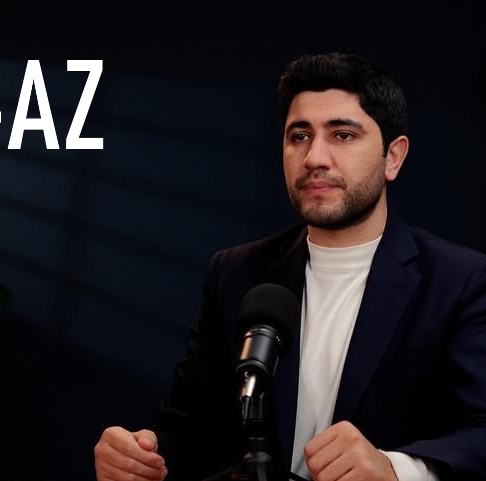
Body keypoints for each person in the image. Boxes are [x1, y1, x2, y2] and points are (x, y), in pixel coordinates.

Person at [93, 52, 486, 481]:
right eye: (299, 135)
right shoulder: (236, 273)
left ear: (393, 157)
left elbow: (480, 432)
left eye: (342, 135)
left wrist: (395, 469)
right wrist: (139, 458)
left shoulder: (459, 281)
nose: (314, 157)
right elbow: (190, 431)